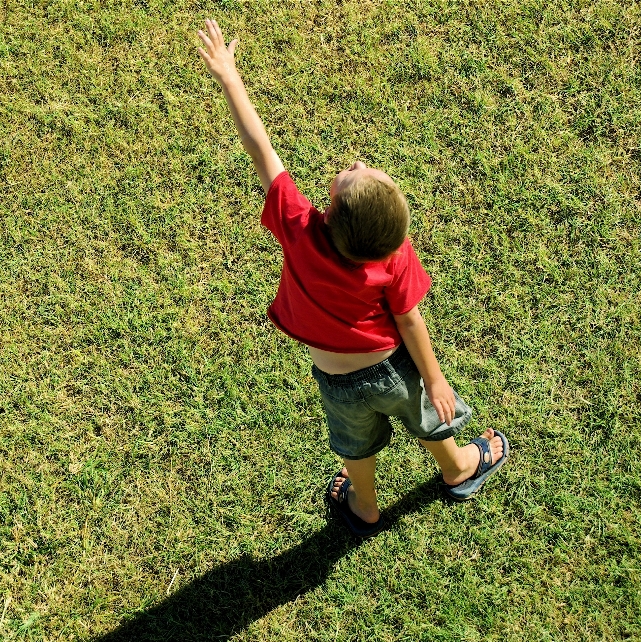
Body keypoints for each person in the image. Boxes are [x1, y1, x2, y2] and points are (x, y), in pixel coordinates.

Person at [197, 19, 509, 537]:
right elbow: (409, 320)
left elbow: (262, 150)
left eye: (358, 173)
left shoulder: (300, 228)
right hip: (392, 369)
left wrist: (230, 78)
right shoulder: (394, 256)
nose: (359, 162)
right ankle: (458, 469)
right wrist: (433, 378)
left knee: (354, 446)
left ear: (334, 206)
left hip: (335, 379)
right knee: (427, 418)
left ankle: (364, 506)